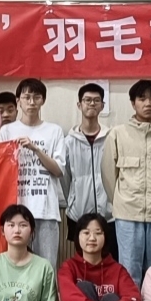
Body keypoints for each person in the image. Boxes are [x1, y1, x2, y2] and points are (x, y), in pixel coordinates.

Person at [103, 79, 151, 286]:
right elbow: (109, 175)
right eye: (142, 99)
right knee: (129, 269)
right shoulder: (118, 134)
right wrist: (121, 201)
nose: (148, 103)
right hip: (128, 213)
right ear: (133, 103)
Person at [0, 78, 64, 265]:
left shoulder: (54, 131)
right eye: (27, 97)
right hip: (16, 211)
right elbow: (0, 171)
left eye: (36, 97)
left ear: (43, 100)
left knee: (47, 266)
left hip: (46, 211)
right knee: (14, 264)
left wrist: (35, 149)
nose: (32, 102)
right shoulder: (7, 131)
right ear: (18, 100)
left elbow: (58, 170)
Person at [62, 83, 117, 260]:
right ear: (79, 105)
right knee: (82, 262)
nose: (92, 104)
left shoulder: (112, 138)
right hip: (78, 214)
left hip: (109, 215)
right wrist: (73, 200)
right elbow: (65, 179)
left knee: (109, 261)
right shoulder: (68, 142)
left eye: (96, 100)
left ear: (102, 105)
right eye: (87, 100)